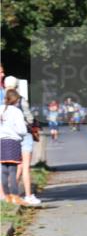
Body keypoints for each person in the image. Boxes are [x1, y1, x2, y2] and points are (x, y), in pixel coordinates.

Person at [4, 76, 41, 206]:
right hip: (23, 135)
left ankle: (10, 194)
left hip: (7, 137)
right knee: (24, 166)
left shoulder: (3, 100)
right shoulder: (20, 100)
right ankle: (28, 195)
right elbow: (29, 119)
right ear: (16, 86)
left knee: (11, 166)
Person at [1, 89, 29, 205]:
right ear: (16, 100)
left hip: (1, 141)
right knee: (12, 170)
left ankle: (6, 196)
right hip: (13, 142)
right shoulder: (17, 111)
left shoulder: (0, 109)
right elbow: (22, 130)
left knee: (3, 170)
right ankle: (15, 196)